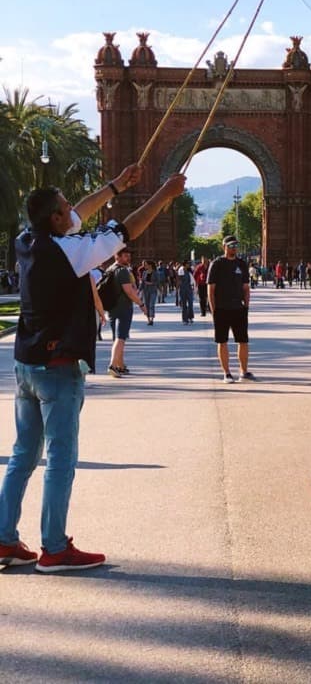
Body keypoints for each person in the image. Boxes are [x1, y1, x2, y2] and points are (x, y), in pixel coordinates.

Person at [0, 166, 186, 572]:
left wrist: (117, 186)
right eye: (66, 207)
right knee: (61, 458)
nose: (73, 211)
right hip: (58, 365)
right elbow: (126, 228)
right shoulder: (70, 251)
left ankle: (4, 541)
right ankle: (54, 548)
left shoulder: (28, 239)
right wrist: (165, 195)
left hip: (26, 363)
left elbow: (83, 213)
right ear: (55, 218)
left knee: (22, 455)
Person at [208, 236, 252, 383]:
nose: (234, 248)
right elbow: (211, 289)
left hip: (238, 308)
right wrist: (213, 310)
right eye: (231, 245)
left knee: (243, 341)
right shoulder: (217, 264)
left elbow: (246, 287)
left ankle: (244, 372)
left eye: (235, 245)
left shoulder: (242, 264)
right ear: (224, 247)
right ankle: (226, 373)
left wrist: (246, 306)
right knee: (222, 341)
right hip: (221, 308)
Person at [107, 246, 145, 378]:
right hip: (123, 308)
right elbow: (129, 291)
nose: (128, 257)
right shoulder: (122, 271)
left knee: (118, 338)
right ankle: (112, 365)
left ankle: (120, 365)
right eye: (125, 255)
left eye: (129, 255)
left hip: (112, 308)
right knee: (121, 338)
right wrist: (141, 304)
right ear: (117, 256)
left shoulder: (110, 269)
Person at [139, 259, 158, 326]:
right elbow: (142, 282)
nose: (145, 266)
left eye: (146, 265)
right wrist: (139, 290)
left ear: (150, 265)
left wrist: (151, 283)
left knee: (151, 305)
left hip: (153, 290)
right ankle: (148, 320)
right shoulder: (144, 272)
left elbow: (157, 282)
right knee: (146, 305)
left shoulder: (155, 272)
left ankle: (152, 319)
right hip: (145, 291)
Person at [179, 260, 196, 324]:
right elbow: (178, 281)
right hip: (183, 289)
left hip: (189, 289)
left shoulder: (190, 271)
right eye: (188, 264)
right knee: (184, 305)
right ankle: (185, 319)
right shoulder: (180, 271)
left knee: (190, 304)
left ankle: (190, 317)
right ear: (185, 264)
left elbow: (193, 280)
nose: (189, 265)